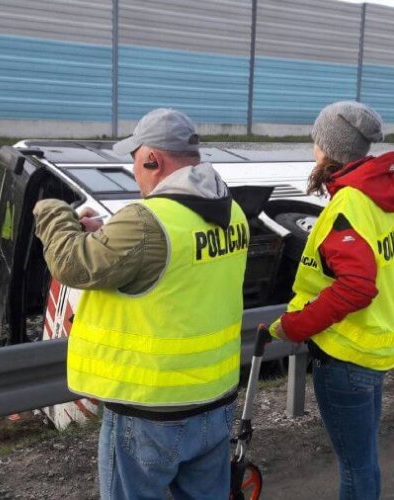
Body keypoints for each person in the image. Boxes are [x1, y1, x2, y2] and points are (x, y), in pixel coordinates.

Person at [33, 108, 249, 499]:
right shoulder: (231, 212)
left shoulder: (147, 221)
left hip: (150, 414)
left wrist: (52, 211)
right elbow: (176, 270)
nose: (134, 171)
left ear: (153, 158)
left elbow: (72, 265)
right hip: (213, 403)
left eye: (134, 160)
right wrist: (109, 237)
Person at [270, 101, 394, 500]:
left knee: (356, 468)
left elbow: (357, 286)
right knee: (364, 461)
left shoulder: (350, 204)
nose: (313, 148)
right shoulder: (380, 197)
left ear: (328, 148)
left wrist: (294, 326)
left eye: (315, 140)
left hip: (346, 357)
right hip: (374, 349)